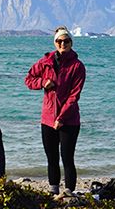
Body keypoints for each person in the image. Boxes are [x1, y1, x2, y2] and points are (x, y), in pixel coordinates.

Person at [24, 27, 86, 197]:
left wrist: (61, 118)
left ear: (71, 43)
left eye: (66, 41)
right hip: (47, 119)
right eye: (59, 41)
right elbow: (28, 79)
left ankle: (69, 192)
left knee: (67, 158)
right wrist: (43, 82)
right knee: (51, 158)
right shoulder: (45, 62)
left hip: (69, 120)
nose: (63, 44)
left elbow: (74, 96)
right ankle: (53, 191)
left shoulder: (77, 66)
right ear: (55, 43)